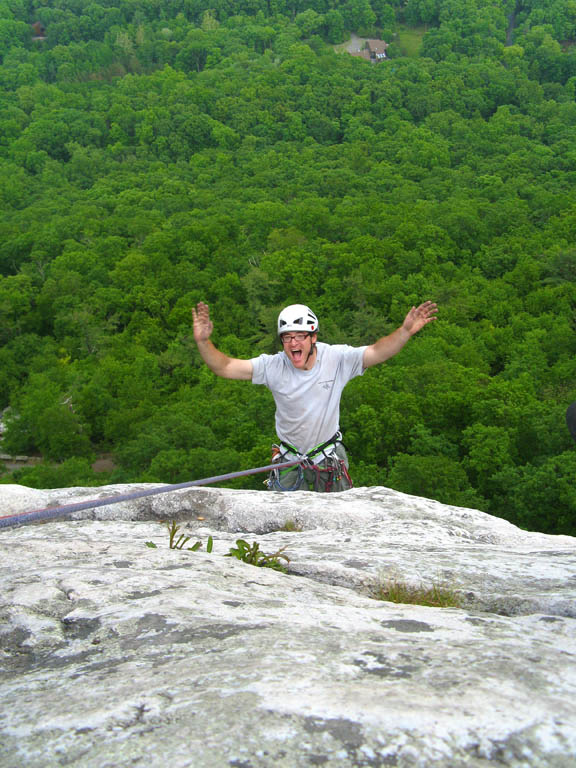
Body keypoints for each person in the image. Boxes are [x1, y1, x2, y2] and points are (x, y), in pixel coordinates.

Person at [192, 300, 437, 492]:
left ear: (313, 337)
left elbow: (377, 352)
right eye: (287, 337)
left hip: (328, 457)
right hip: (289, 458)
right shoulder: (274, 366)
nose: (292, 343)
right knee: (282, 527)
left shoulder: (336, 359)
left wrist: (404, 332)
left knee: (340, 523)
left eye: (299, 336)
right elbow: (224, 367)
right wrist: (203, 342)